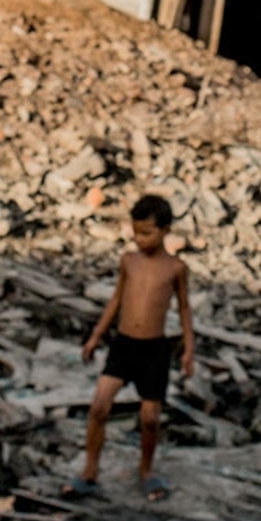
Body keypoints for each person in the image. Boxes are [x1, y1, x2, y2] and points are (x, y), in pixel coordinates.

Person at [76, 193, 195, 498]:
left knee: (150, 418)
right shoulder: (128, 261)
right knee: (100, 405)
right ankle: (90, 469)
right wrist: (95, 336)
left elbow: (183, 309)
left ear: (165, 230)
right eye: (136, 232)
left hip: (154, 349)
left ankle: (146, 470)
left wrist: (189, 350)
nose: (140, 239)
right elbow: (116, 300)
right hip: (124, 345)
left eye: (147, 232)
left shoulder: (175, 268)